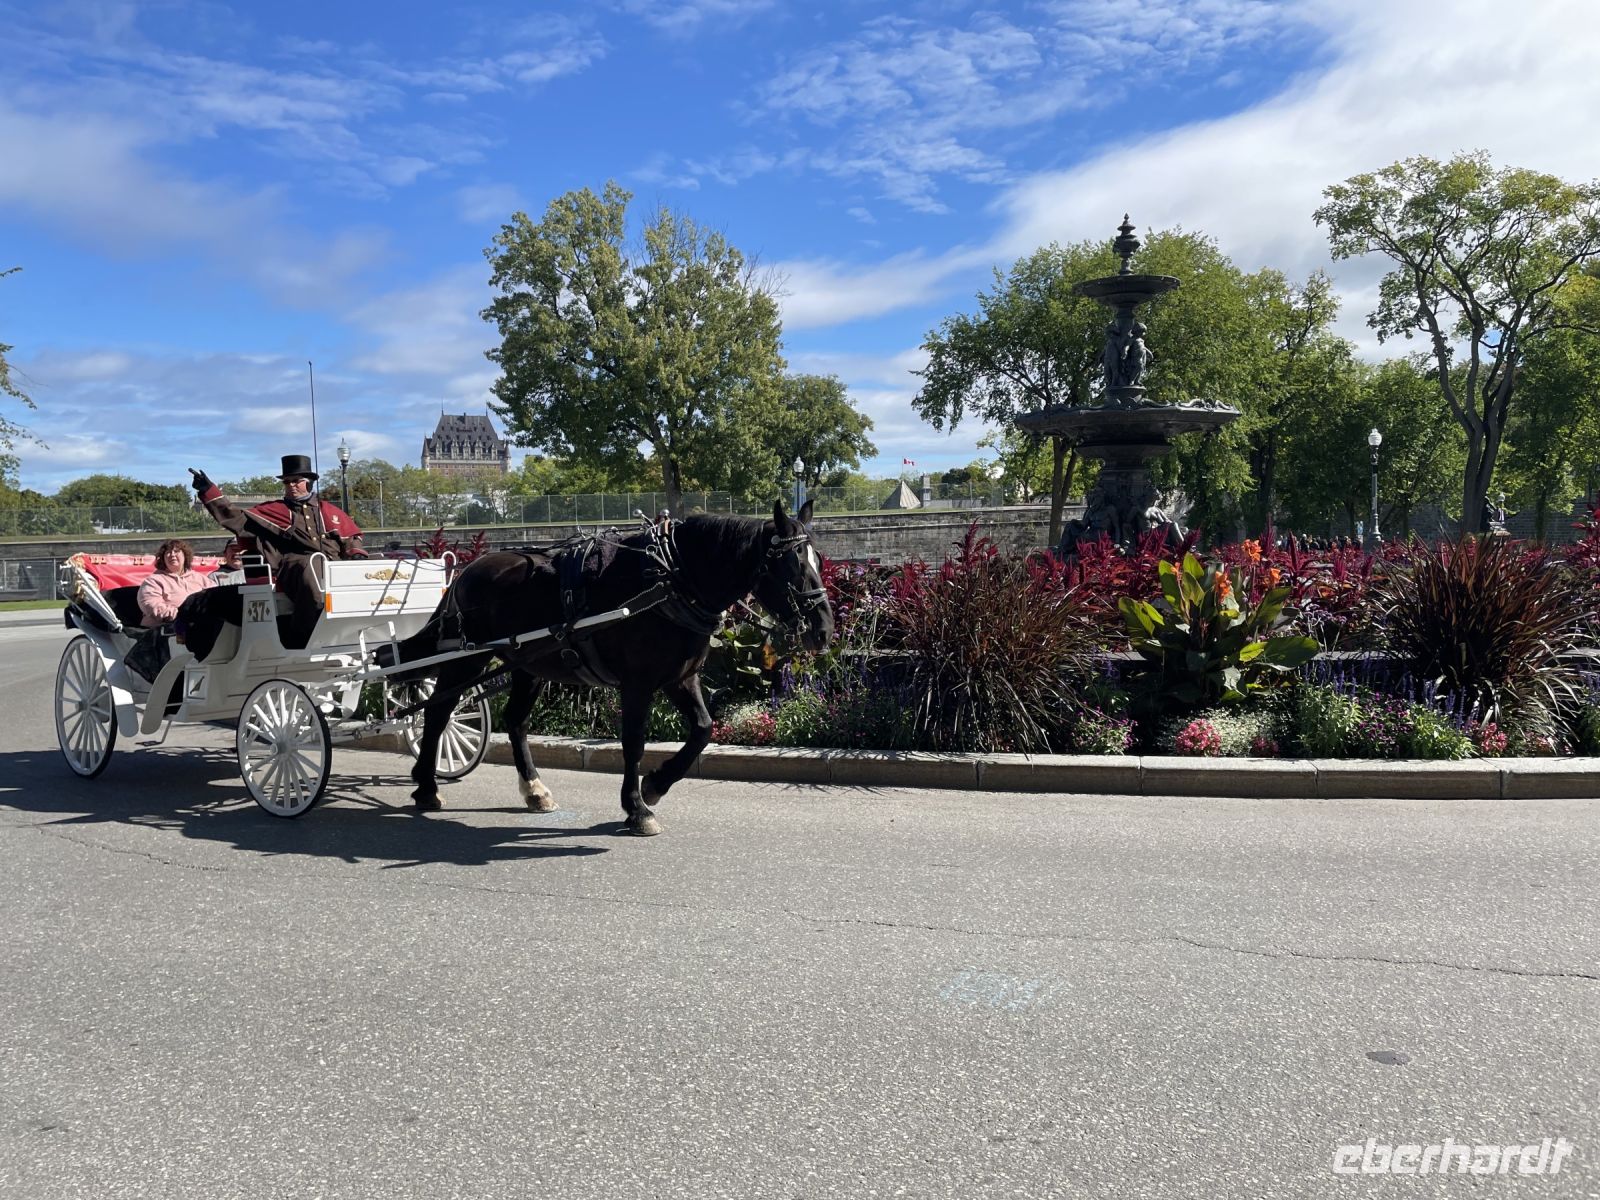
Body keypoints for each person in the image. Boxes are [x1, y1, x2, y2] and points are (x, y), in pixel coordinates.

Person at [190, 453, 367, 648]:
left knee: (375, 565)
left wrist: (356, 553)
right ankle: (304, 634)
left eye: (296, 481)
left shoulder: (329, 510)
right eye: (287, 482)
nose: (291, 485)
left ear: (309, 483)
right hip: (294, 568)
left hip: (333, 568)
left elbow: (351, 537)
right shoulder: (274, 510)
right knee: (309, 564)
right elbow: (235, 518)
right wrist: (209, 492)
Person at [136, 538, 215, 628]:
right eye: (168, 553)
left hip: (199, 626)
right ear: (163, 558)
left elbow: (216, 597)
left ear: (185, 556)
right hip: (162, 631)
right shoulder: (152, 581)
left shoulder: (201, 579)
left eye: (176, 551)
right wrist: (182, 615)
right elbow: (150, 604)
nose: (172, 555)